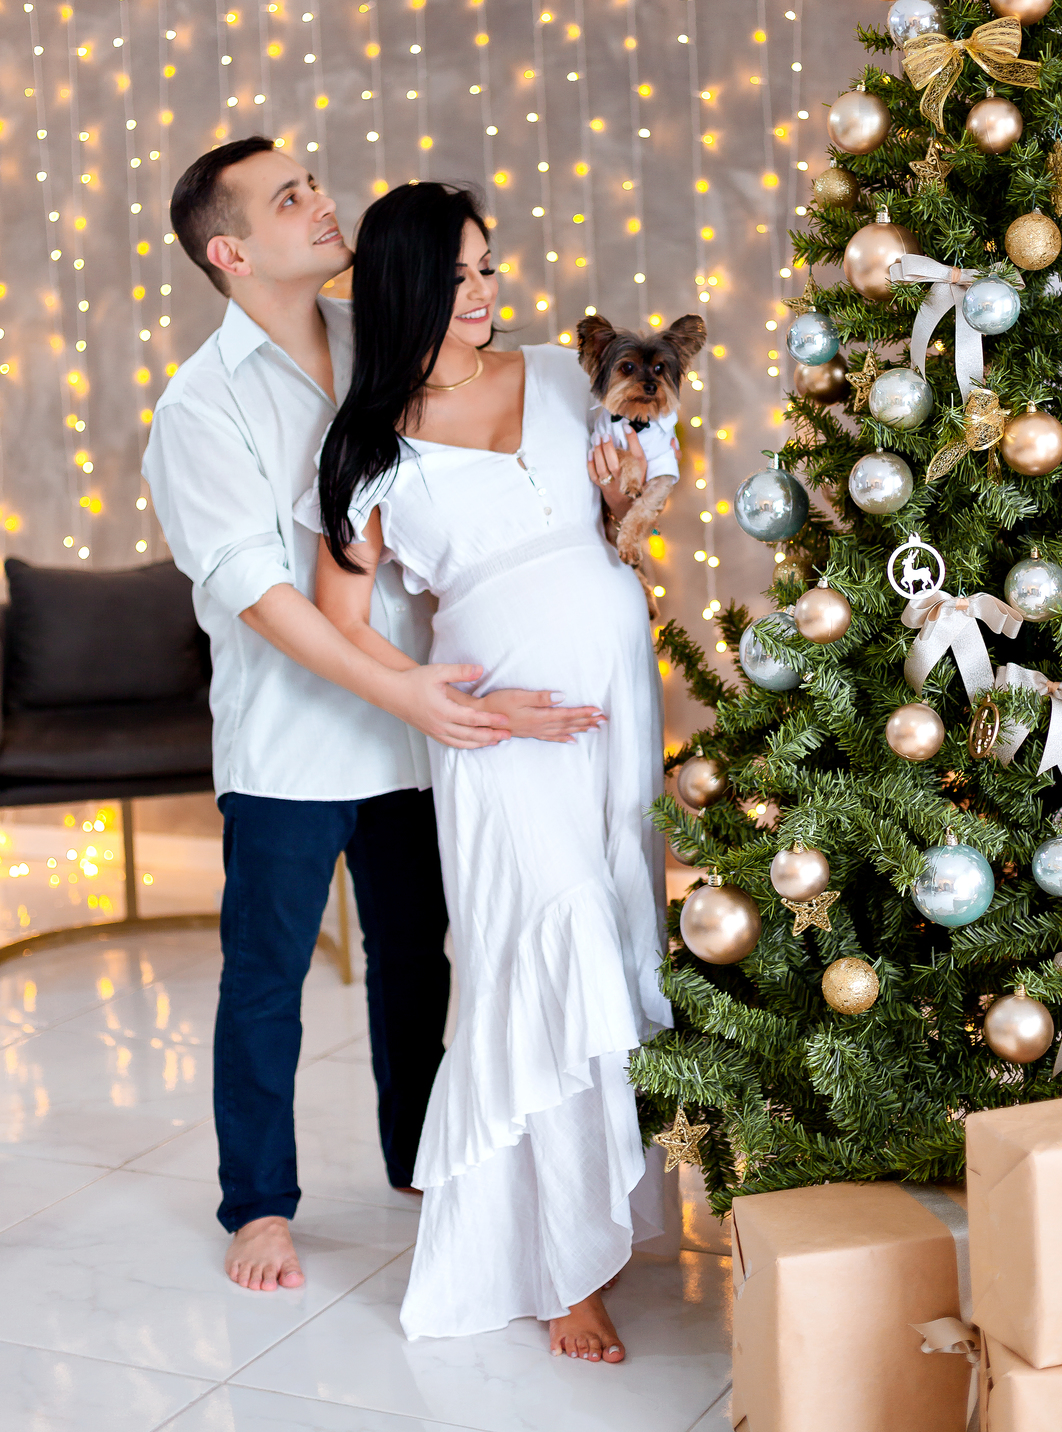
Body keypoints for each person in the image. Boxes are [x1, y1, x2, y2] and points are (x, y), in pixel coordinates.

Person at [142, 138, 596, 1294]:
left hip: (423, 726)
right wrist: (400, 689)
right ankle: (258, 1204)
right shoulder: (200, 405)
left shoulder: (382, 339)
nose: (321, 201)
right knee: (268, 977)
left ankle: (418, 1157)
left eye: (313, 183)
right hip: (294, 742)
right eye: (288, 196)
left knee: (416, 958)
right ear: (231, 252)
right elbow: (256, 591)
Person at [304, 180, 673, 1362]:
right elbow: (338, 625)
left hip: (618, 702)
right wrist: (447, 704)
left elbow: (626, 528)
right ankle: (564, 1274)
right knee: (546, 952)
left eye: (489, 267)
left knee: (618, 926)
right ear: (401, 286)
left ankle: (602, 1215)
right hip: (497, 730)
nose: (482, 292)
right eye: (456, 274)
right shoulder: (365, 447)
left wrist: (624, 507)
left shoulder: (566, 377)